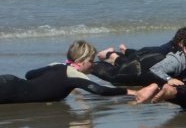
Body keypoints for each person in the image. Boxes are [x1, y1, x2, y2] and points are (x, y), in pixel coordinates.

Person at [0, 41, 138, 104]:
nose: (93, 65)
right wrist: (127, 92)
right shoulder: (72, 73)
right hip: (9, 90)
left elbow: (29, 74)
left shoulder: (57, 66)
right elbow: (98, 90)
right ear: (81, 61)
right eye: (91, 60)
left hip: (11, 82)